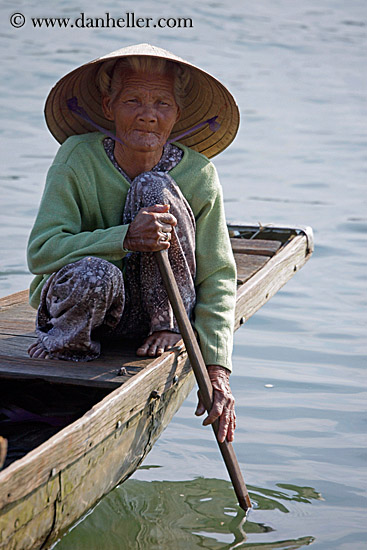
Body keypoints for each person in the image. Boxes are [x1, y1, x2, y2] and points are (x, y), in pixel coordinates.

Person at [27, 44, 240, 443]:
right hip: (86, 310)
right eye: (133, 100)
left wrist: (216, 369)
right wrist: (123, 238)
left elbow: (219, 277)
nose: (148, 113)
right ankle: (65, 351)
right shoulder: (78, 157)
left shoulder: (199, 174)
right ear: (109, 107)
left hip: (157, 323)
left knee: (153, 187)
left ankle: (171, 325)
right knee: (97, 272)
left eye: (162, 103)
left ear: (176, 115)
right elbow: (42, 251)